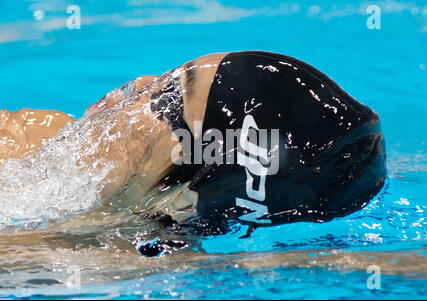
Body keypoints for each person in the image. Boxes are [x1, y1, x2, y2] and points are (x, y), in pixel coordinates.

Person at [0, 51, 386, 242]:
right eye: (167, 74)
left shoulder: (71, 266)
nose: (140, 82)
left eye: (166, 97)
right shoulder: (39, 133)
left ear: (180, 199)